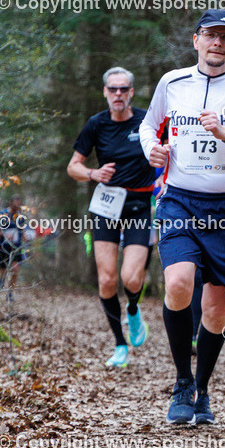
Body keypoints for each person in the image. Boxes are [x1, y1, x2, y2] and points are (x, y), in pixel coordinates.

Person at [140, 9, 225, 425]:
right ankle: (183, 381)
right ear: (195, 40)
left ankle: (202, 391)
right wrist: (152, 150)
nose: (217, 43)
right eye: (210, 35)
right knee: (179, 283)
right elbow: (149, 127)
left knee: (216, 311)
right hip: (180, 199)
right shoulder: (172, 83)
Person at [68, 67, 157, 368]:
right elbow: (73, 166)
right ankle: (120, 345)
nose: (118, 94)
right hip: (106, 205)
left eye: (124, 89)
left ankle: (133, 308)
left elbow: (171, 150)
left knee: (130, 277)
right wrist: (93, 173)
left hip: (139, 205)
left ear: (131, 92)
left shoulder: (147, 120)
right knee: (106, 280)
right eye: (113, 89)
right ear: (105, 92)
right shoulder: (96, 124)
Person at [0, 194, 27, 302]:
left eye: (19, 202)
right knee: (3, 269)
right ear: (11, 202)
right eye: (16, 202)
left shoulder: (20, 217)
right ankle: (1, 280)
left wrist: (25, 237)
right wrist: (2, 234)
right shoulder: (3, 214)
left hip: (16, 248)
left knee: (15, 270)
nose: (18, 204)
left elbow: (22, 231)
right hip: (3, 246)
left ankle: (10, 293)